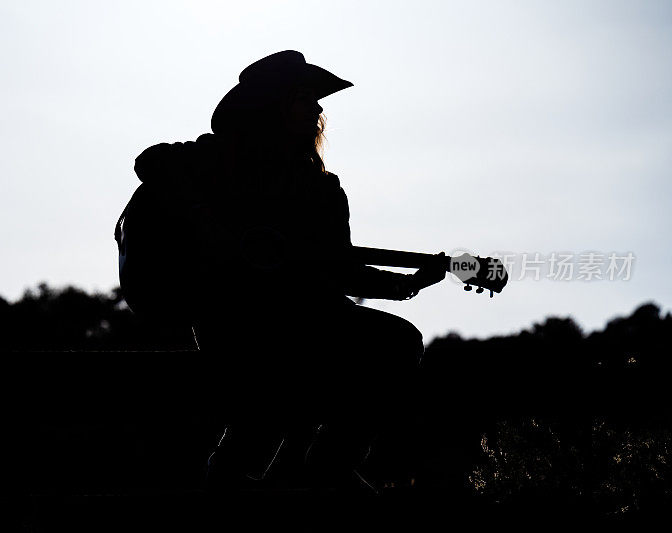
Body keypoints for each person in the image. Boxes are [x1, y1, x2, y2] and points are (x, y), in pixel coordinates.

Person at [130, 50, 446, 489]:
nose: (318, 109)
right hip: (232, 319)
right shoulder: (214, 160)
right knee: (267, 406)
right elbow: (151, 161)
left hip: (308, 321)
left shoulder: (321, 188)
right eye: (305, 97)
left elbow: (341, 269)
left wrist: (410, 284)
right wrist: (206, 220)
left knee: (397, 342)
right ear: (273, 104)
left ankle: (325, 471)